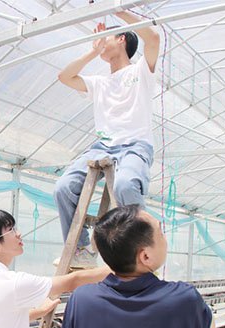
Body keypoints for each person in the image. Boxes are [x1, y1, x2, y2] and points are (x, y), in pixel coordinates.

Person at [55, 205, 213, 328]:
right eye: (160, 232)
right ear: (145, 256)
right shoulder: (183, 299)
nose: (165, 238)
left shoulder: (82, 300)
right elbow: (207, 327)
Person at [54, 10, 160, 267]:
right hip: (102, 146)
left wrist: (119, 10)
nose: (100, 41)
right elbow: (64, 77)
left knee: (125, 185)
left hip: (135, 144)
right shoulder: (100, 83)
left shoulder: (140, 72)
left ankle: (145, 249)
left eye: (107, 37)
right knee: (63, 188)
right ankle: (81, 249)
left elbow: (153, 38)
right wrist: (93, 52)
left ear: (122, 39)